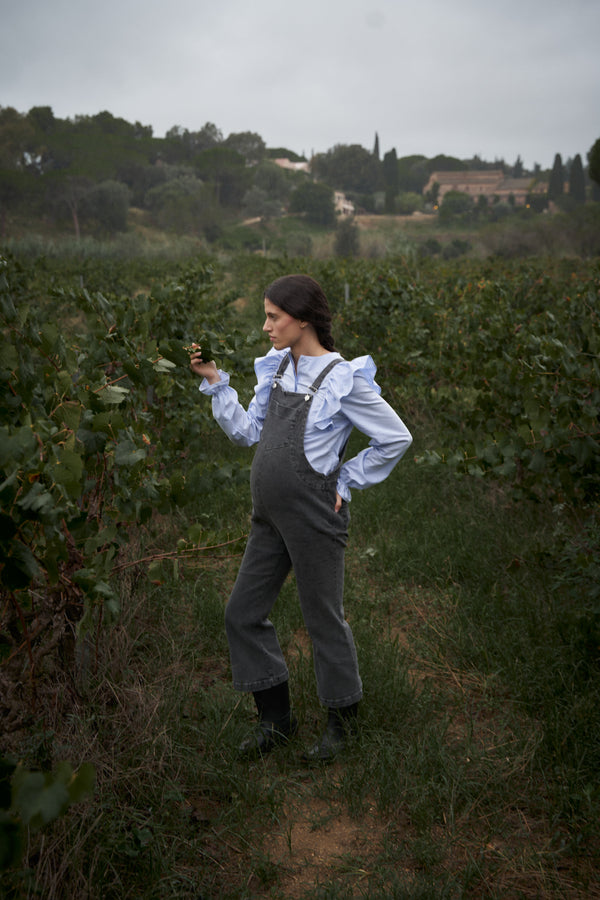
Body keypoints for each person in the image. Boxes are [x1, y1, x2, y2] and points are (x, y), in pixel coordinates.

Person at [190, 274, 412, 761]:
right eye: (266, 316)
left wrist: (346, 479)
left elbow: (396, 438)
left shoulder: (341, 378)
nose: (265, 326)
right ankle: (276, 721)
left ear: (303, 320)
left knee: (323, 619)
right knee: (242, 614)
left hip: (313, 516)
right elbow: (249, 432)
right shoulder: (275, 369)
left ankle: (342, 725)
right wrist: (214, 381)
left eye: (273, 316)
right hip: (267, 517)